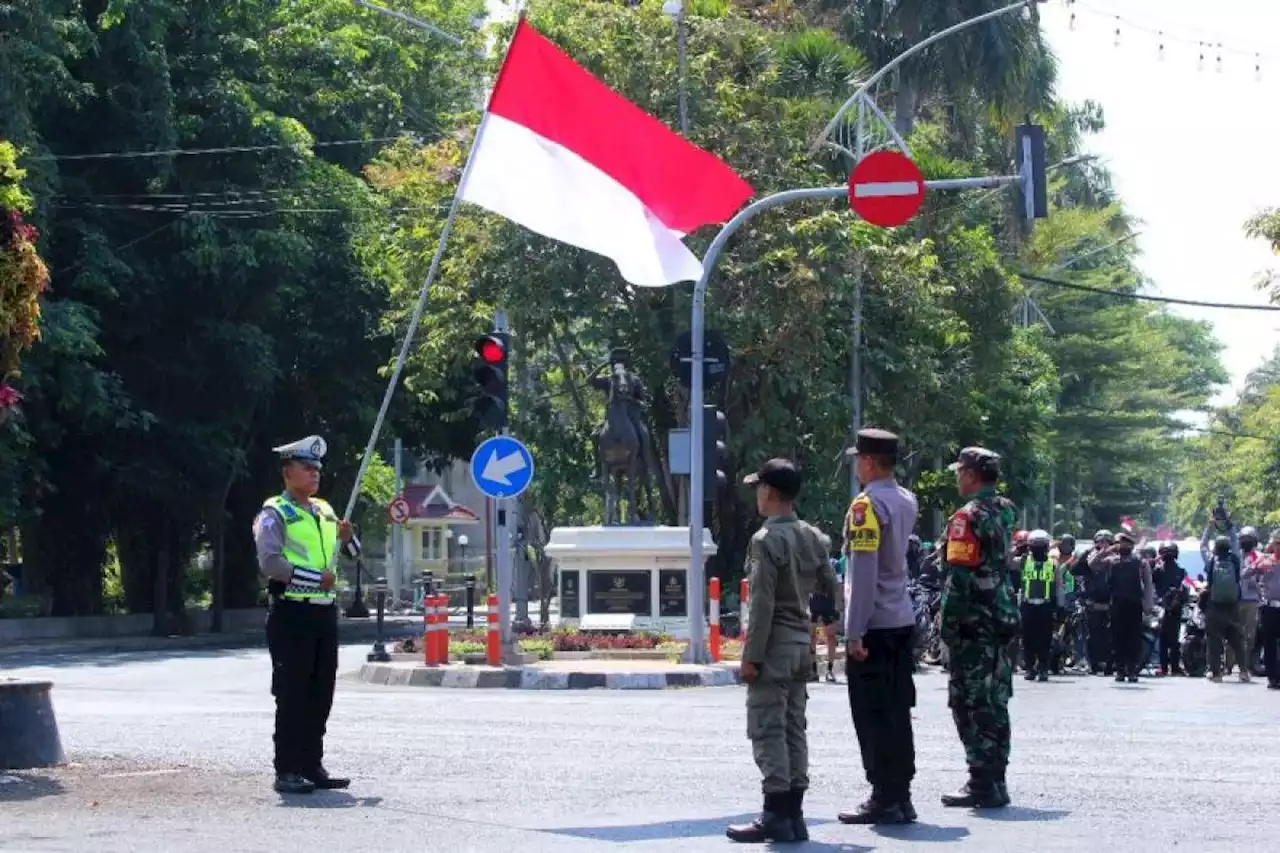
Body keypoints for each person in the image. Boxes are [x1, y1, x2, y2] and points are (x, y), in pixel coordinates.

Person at [727, 459, 836, 844]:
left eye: (759, 487)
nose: (757, 493)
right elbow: (831, 590)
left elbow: (761, 605)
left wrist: (751, 657)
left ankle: (775, 815)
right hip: (801, 643)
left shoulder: (765, 540)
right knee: (794, 727)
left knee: (768, 728)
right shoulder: (812, 536)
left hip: (773, 645)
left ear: (770, 492)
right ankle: (794, 816)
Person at [253, 435, 358, 794]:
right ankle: (287, 770)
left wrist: (348, 537)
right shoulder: (274, 513)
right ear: (288, 473)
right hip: (291, 613)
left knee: (321, 693)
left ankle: (312, 765)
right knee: (292, 693)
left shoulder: (325, 510)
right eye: (307, 468)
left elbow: (350, 552)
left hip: (323, 614)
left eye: (317, 469)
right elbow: (270, 563)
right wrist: (317, 578)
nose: (315, 474)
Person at [835, 429, 920, 826]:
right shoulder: (906, 500)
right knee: (898, 709)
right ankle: (900, 795)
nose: (856, 466)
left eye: (858, 459)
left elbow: (864, 573)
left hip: (875, 624)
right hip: (901, 618)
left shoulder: (865, 507)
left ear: (869, 462)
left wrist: (854, 632)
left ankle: (884, 795)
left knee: (872, 713)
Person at [939, 447, 1019, 810]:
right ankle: (996, 779)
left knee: (969, 701)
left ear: (972, 475)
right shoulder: (1005, 509)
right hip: (1002, 612)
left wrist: (948, 623)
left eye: (960, 472)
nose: (958, 477)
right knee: (996, 699)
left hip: (974, 620)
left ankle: (981, 781)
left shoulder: (966, 517)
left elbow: (959, 576)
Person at [1090, 531, 1153, 683]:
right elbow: (1092, 564)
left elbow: (1148, 585)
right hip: (1116, 605)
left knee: (1133, 639)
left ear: (1131, 545)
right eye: (1119, 543)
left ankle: (1131, 669)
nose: (1121, 546)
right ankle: (1119, 670)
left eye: (1124, 543)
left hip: (1134, 605)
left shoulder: (1140, 563)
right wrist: (1106, 550)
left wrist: (1148, 605)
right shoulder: (1111, 561)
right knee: (1117, 639)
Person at [1199, 521, 1248, 683]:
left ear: (1216, 548)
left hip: (1215, 606)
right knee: (1237, 640)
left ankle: (1216, 674)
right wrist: (1230, 526)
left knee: (1214, 640)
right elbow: (1235, 541)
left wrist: (1210, 527)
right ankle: (1243, 671)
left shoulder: (1211, 561)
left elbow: (1202, 546)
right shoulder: (1236, 561)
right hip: (1233, 605)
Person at [1019, 530, 1061, 682]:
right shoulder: (1023, 561)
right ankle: (1030, 668)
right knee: (1027, 639)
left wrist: (1060, 606)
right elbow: (1007, 561)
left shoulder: (1053, 564)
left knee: (1045, 640)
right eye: (1034, 546)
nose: (1037, 549)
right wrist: (1017, 548)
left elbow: (1058, 586)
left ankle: (1043, 668)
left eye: (1041, 546)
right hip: (1027, 605)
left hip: (1045, 606)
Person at [1074, 530, 1115, 676]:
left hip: (1110, 603)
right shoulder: (1089, 560)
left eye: (1106, 542)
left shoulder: (1114, 560)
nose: (1103, 545)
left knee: (1110, 636)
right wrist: (1087, 553)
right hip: (1092, 603)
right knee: (1092, 636)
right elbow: (1075, 570)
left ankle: (1110, 664)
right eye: (1100, 542)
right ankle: (1094, 664)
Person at [1153, 541, 1188, 675]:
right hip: (1163, 608)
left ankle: (1172, 667)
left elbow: (1185, 588)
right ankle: (1166, 667)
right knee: (1166, 639)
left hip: (1174, 608)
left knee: (1172, 640)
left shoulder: (1180, 571)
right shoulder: (1158, 571)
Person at [1233, 526, 1263, 675]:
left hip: (1252, 600)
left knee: (1249, 636)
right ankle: (1229, 664)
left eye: (1248, 540)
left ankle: (1244, 665)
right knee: (1233, 633)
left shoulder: (1259, 557)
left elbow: (1262, 579)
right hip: (1236, 599)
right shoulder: (1235, 557)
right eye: (1243, 539)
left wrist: (1257, 585)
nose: (1246, 542)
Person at [1255, 531, 1280, 689]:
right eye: (1277, 544)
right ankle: (1272, 676)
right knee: (1269, 643)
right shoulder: (1266, 561)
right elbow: (1247, 575)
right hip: (1270, 607)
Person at [809, 569, 840, 684]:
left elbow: (835, 585)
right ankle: (813, 670)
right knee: (812, 635)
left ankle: (830, 670)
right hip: (813, 599)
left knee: (831, 636)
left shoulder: (828, 564)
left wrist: (837, 604)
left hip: (828, 599)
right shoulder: (809, 559)